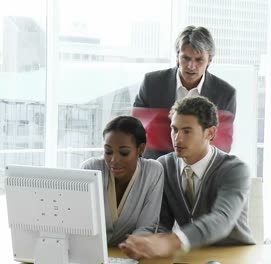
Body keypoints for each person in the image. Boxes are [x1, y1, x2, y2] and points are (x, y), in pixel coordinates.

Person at [119, 96, 254, 260]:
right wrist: (148, 242)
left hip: (235, 256)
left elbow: (221, 220)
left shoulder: (235, 169)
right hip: (191, 256)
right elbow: (162, 222)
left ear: (210, 133)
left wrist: (172, 242)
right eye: (174, 129)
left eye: (187, 131)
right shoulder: (164, 166)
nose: (177, 138)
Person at [133, 25, 236, 159]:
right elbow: (134, 131)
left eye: (199, 60)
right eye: (186, 58)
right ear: (177, 56)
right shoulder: (151, 83)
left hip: (201, 171)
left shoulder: (225, 94)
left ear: (209, 60)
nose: (191, 66)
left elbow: (222, 144)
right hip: (155, 168)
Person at [80, 116, 164, 247]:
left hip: (129, 254)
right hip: (90, 252)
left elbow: (148, 226)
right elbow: (79, 222)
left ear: (141, 149)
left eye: (124, 153)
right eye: (108, 151)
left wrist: (129, 250)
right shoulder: (90, 169)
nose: (114, 160)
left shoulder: (153, 171)